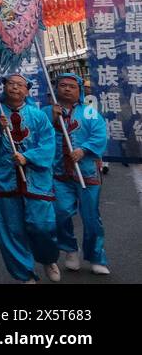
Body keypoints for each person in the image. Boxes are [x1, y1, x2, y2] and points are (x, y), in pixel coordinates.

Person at [0, 72, 59, 283]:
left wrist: (27, 157)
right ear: (4, 87)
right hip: (4, 179)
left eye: (20, 85)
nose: (15, 88)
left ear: (27, 90)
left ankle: (47, 258)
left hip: (36, 179)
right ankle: (25, 274)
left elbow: (48, 145)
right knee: (11, 230)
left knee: (42, 224)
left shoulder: (38, 116)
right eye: (11, 84)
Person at [47, 72, 110, 275]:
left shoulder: (89, 112)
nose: (66, 89)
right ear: (56, 88)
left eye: (71, 86)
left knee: (92, 217)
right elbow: (38, 135)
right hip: (59, 172)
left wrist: (84, 150)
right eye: (62, 85)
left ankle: (96, 256)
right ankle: (70, 249)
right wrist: (52, 119)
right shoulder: (47, 111)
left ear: (79, 91)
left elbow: (100, 133)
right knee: (61, 213)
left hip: (87, 171)